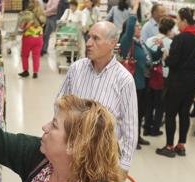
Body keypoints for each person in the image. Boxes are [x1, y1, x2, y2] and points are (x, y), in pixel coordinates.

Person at [57, 21, 138, 172]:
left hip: (102, 157)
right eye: (89, 37)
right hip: (71, 150)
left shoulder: (124, 80)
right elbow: (59, 105)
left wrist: (124, 166)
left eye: (96, 38)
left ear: (112, 43)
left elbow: (130, 126)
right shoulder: (76, 69)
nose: (88, 43)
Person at [155, 7, 195, 158]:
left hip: (178, 80)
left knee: (170, 113)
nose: (177, 23)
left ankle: (169, 146)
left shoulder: (180, 38)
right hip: (194, 79)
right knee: (185, 113)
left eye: (178, 20)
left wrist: (166, 56)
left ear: (184, 20)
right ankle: (181, 145)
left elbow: (173, 62)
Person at [119, 2, 150, 149]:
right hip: (132, 84)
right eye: (137, 26)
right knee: (132, 115)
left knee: (141, 112)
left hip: (142, 83)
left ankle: (138, 136)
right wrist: (135, 9)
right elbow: (130, 28)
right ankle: (131, 140)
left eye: (139, 26)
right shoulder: (126, 41)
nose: (139, 28)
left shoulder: (140, 43)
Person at [143, 17, 175, 136]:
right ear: (169, 30)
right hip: (164, 75)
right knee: (160, 104)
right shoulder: (171, 43)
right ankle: (155, 128)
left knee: (149, 102)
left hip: (150, 74)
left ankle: (146, 126)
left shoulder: (150, 40)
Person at [18, 0, 47, 79]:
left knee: (24, 55)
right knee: (36, 56)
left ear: (31, 4)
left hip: (28, 37)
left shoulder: (27, 14)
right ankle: (35, 72)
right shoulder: (42, 14)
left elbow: (22, 26)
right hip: (39, 38)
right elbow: (43, 24)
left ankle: (26, 71)